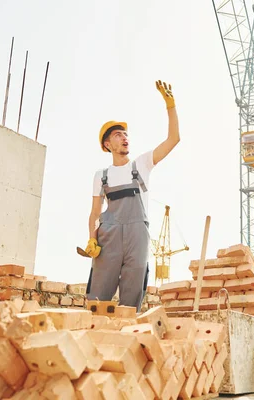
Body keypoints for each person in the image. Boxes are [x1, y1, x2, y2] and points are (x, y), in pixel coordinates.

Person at [83, 80, 180, 311]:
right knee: (98, 300)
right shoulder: (101, 176)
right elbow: (95, 213)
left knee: (131, 299)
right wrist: (92, 238)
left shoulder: (142, 165)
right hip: (109, 239)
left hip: (137, 238)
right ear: (107, 144)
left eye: (126, 134)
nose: (125, 137)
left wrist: (170, 106)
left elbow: (173, 139)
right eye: (118, 135)